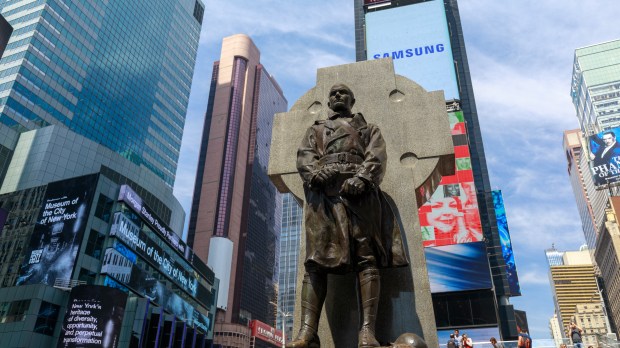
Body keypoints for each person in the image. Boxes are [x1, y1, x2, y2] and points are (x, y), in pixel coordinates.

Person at [291, 84, 408, 348]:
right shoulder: (316, 129)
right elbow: (304, 157)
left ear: (352, 99)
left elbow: (377, 156)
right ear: (329, 102)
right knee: (315, 262)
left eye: (343, 92)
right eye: (333, 93)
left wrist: (363, 178)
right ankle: (308, 331)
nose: (337, 96)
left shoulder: (368, 128)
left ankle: (367, 332)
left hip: (360, 197)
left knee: (367, 258)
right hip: (324, 199)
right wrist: (314, 174)